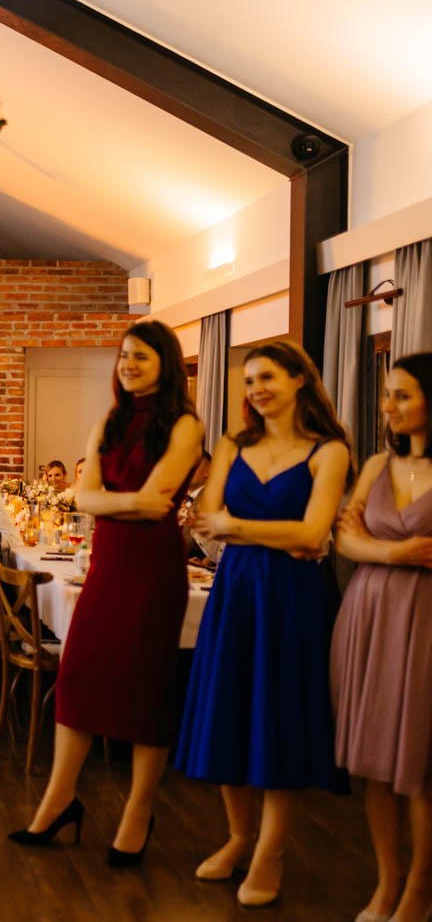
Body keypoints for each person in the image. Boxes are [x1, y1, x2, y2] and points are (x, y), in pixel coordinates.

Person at [10, 321, 203, 871]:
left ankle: (138, 813)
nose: (129, 364)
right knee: (78, 676)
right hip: (108, 565)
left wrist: (106, 500)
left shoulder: (185, 424)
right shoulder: (109, 421)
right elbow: (95, 498)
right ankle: (59, 800)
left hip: (153, 569)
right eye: (124, 356)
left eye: (141, 356)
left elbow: (151, 499)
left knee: (147, 687)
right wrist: (126, 502)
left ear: (165, 363)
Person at [176, 340, 351, 907]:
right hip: (238, 590)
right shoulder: (233, 443)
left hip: (295, 597)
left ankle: (270, 851)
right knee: (230, 708)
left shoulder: (329, 451)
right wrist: (277, 533)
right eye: (250, 381)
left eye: (268, 377)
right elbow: (207, 519)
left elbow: (314, 534)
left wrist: (240, 526)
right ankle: (237, 837)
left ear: (300, 379)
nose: (256, 390)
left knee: (281, 717)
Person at [331, 351, 432, 922]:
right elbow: (344, 539)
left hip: (425, 619)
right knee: (373, 757)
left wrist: (372, 545)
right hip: (369, 612)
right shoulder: (375, 465)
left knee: (419, 761)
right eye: (387, 394)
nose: (388, 406)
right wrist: (398, 552)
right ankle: (387, 881)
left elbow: (358, 536)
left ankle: (419, 889)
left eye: (402, 395)